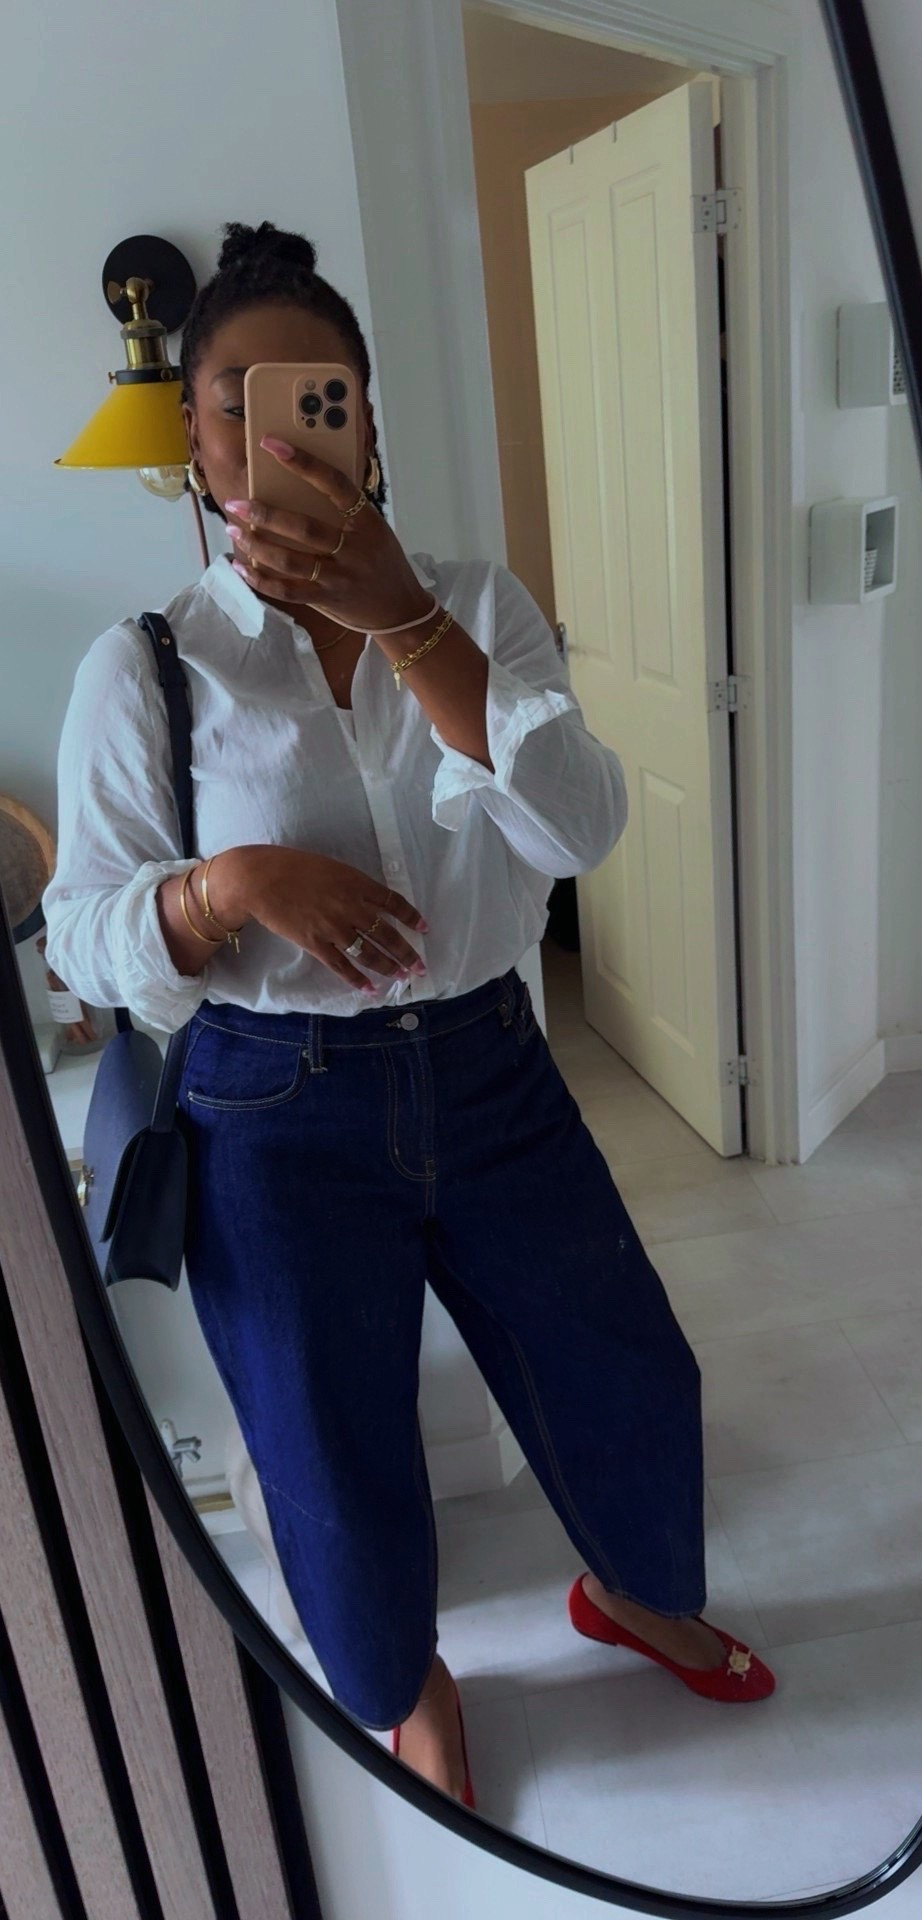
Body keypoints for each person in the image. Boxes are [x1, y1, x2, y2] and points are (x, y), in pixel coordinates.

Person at [44, 222, 774, 1809]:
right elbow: (84, 937)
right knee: (328, 1451)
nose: (277, 437)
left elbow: (580, 828)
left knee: (623, 1368)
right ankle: (401, 1684)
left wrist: (407, 623)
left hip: (491, 1067)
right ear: (196, 441)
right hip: (269, 1110)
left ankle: (633, 1587)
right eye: (235, 403)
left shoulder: (474, 602)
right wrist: (229, 886)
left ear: (365, 420)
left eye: (319, 398)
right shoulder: (147, 668)